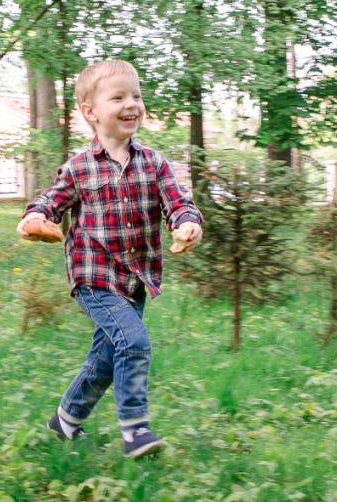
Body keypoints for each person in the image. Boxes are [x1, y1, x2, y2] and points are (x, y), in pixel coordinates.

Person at [17, 58, 203, 458]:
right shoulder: (79, 168)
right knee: (133, 341)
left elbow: (178, 203)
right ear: (90, 112)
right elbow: (51, 200)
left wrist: (187, 224)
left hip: (136, 277)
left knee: (105, 356)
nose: (131, 103)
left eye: (136, 94)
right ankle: (136, 429)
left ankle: (65, 423)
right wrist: (36, 218)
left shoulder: (155, 163)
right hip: (93, 275)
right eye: (118, 96)